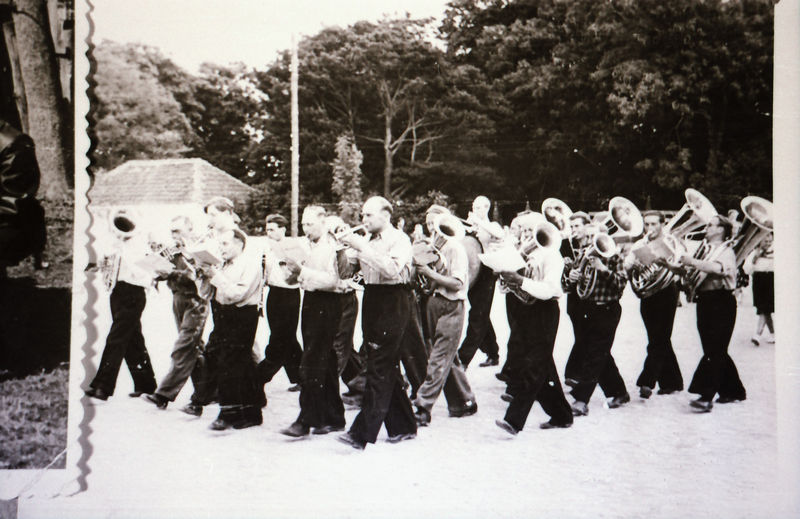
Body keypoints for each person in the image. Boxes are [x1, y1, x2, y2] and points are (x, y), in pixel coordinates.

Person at [337, 196, 418, 449]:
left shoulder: (399, 239)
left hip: (394, 299)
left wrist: (361, 247)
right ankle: (404, 426)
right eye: (363, 215)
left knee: (380, 364)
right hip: (372, 298)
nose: (364, 220)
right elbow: (345, 273)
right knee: (381, 362)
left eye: (368, 215)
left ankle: (360, 433)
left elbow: (392, 270)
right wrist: (340, 249)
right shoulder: (367, 240)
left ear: (386, 215)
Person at [494, 213, 573, 435]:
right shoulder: (523, 254)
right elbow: (505, 288)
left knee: (534, 367)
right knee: (542, 368)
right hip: (526, 310)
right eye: (525, 231)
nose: (528, 236)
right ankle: (562, 415)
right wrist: (505, 277)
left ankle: (514, 420)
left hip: (544, 311)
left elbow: (549, 290)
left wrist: (520, 280)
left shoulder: (552, 256)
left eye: (531, 231)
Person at [280, 206, 348, 437]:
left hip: (327, 302)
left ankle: (306, 419)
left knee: (311, 361)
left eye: (310, 224)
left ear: (323, 222)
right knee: (324, 360)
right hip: (310, 300)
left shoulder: (332, 246)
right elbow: (296, 279)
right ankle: (333, 416)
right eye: (303, 224)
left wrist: (302, 270)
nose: (306, 229)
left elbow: (334, 281)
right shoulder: (306, 245)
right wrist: (291, 270)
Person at [667, 215, 746, 412]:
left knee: (715, 349)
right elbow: (694, 273)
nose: (707, 228)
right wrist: (670, 267)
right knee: (713, 348)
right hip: (705, 300)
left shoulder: (726, 250)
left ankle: (706, 396)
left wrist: (691, 261)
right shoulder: (706, 250)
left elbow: (717, 268)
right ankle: (733, 391)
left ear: (721, 230)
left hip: (721, 300)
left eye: (711, 225)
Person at [412, 213, 477, 426]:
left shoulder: (455, 248)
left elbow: (458, 283)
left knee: (439, 357)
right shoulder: (435, 246)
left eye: (434, 224)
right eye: (429, 224)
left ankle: (423, 407)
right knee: (447, 355)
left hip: (451, 304)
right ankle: (464, 401)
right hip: (435, 301)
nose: (432, 228)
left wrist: (428, 273)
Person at [85, 211, 157, 401]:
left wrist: (123, 254)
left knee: (116, 338)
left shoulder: (139, 246)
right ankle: (146, 384)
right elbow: (106, 268)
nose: (120, 233)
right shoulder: (116, 245)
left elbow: (143, 273)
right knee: (133, 339)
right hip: (117, 291)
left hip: (134, 293)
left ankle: (103, 386)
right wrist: (104, 261)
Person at [200, 228, 266, 430]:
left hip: (242, 314)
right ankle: (250, 412)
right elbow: (206, 294)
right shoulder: (222, 264)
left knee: (230, 362)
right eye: (220, 244)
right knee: (240, 362)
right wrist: (204, 276)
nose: (221, 249)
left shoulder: (250, 264)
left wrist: (216, 275)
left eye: (225, 244)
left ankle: (228, 413)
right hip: (224, 314)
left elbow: (237, 293)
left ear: (239, 244)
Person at [145, 216, 213, 409]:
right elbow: (165, 271)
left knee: (183, 346)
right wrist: (157, 271)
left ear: (189, 230)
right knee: (194, 348)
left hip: (196, 301)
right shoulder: (173, 250)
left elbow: (196, 276)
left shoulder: (199, 250)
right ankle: (207, 393)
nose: (173, 235)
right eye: (172, 231)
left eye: (177, 231)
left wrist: (171, 273)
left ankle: (163, 394)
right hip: (178, 298)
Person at [565, 223, 631, 416]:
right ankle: (619, 392)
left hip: (607, 309)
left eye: (596, 237)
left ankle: (581, 400)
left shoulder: (614, 256)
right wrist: (572, 276)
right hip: (587, 309)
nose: (593, 243)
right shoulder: (584, 254)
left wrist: (602, 269)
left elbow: (620, 284)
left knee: (595, 354)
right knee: (597, 353)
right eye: (590, 237)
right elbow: (572, 283)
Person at [623, 211, 683, 398]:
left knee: (660, 337)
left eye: (654, 224)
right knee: (657, 337)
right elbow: (627, 266)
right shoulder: (640, 244)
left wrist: (664, 263)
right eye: (647, 224)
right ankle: (672, 382)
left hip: (666, 291)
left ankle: (647, 381)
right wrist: (635, 266)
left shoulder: (671, 242)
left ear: (662, 224)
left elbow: (681, 266)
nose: (650, 228)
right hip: (648, 294)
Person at [256, 214, 303, 391]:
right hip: (273, 293)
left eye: (272, 229)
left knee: (280, 338)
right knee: (286, 337)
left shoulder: (293, 246)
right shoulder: (267, 248)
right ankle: (302, 377)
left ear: (282, 229)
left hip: (289, 294)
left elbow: (296, 274)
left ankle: (259, 376)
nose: (269, 233)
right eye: (267, 230)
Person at [561, 211, 591, 388]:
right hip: (574, 298)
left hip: (591, 296)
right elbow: (560, 270)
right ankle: (577, 373)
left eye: (577, 226)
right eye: (571, 227)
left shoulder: (594, 243)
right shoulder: (566, 245)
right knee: (581, 335)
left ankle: (574, 373)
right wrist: (568, 273)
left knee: (585, 336)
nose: (573, 230)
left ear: (587, 227)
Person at [743, 234, 774, 346]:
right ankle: (773, 334)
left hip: (771, 279)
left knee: (765, 308)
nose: (768, 243)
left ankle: (757, 334)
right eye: (765, 241)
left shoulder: (775, 252)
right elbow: (746, 270)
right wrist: (754, 259)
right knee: (764, 309)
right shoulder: (754, 253)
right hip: (759, 280)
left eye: (770, 241)